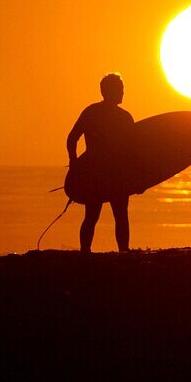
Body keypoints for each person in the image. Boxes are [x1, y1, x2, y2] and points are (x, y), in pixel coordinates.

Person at [66, 73, 135, 253]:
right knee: (116, 215)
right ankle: (122, 252)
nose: (122, 93)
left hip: (98, 171)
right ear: (108, 91)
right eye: (119, 89)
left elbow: (72, 139)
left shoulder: (92, 112)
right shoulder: (123, 117)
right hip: (109, 173)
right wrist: (74, 164)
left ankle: (87, 251)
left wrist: (74, 162)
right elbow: (133, 153)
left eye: (122, 89)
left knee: (95, 215)